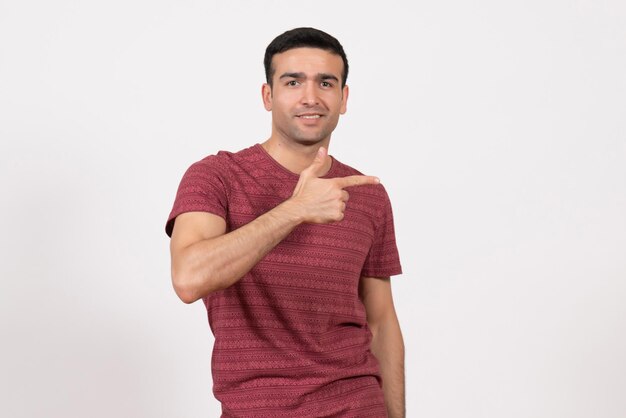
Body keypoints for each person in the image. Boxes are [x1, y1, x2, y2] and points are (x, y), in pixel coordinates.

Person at [165, 27, 405, 418]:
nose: (310, 97)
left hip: (357, 406)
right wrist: (294, 210)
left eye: (325, 83)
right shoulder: (216, 176)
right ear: (268, 95)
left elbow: (382, 322)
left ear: (343, 98)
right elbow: (189, 279)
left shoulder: (368, 194)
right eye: (293, 82)